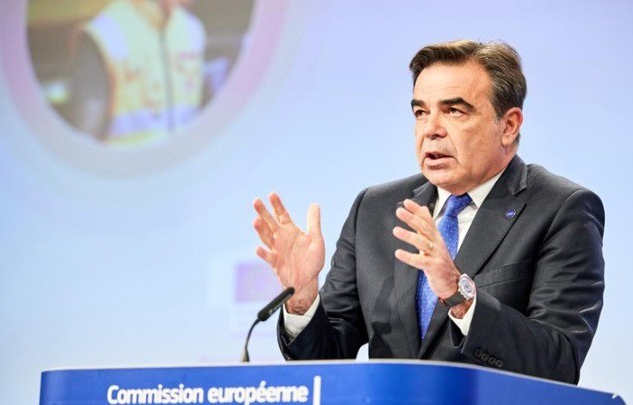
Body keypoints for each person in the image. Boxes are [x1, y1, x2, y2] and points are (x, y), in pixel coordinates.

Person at [252, 39, 604, 384]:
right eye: (421, 112)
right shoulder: (374, 209)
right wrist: (302, 301)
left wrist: (459, 295)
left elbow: (558, 362)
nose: (431, 130)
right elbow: (326, 361)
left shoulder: (561, 209)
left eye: (454, 111)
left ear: (509, 125)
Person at [66, 0, 206, 145]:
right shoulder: (104, 33)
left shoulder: (192, 29)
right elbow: (85, 140)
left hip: (190, 159)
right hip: (125, 159)